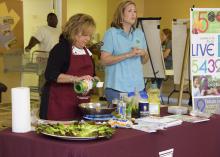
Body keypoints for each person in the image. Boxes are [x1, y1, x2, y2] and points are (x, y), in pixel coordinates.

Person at [39, 13, 98, 120]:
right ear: (73, 31)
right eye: (84, 35)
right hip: (59, 104)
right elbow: (51, 74)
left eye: (90, 35)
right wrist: (76, 79)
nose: (88, 39)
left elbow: (93, 75)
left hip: (80, 104)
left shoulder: (87, 51)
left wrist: (93, 82)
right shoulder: (61, 49)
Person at [100, 0, 149, 103]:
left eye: (135, 11)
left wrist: (144, 54)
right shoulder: (111, 33)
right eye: (130, 11)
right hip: (117, 88)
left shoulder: (139, 33)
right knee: (119, 119)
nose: (133, 14)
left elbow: (144, 61)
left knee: (140, 118)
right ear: (121, 14)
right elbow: (104, 60)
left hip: (138, 88)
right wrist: (128, 54)